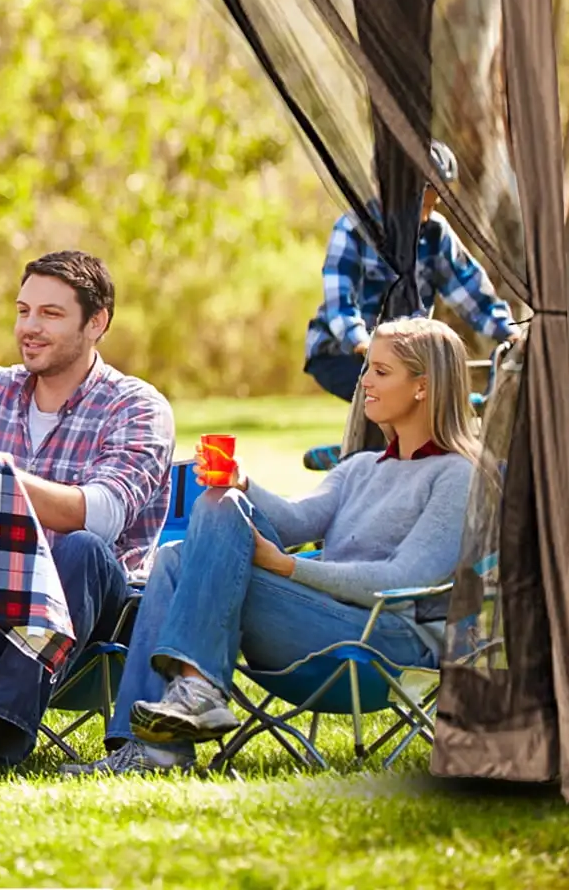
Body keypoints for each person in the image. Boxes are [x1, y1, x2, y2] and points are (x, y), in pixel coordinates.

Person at [67, 316, 477, 777]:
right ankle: (157, 736)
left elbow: (406, 580)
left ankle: (182, 714)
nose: (364, 384)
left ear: (422, 387)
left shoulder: (456, 475)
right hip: (320, 621)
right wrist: (241, 483)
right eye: (367, 370)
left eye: (381, 372)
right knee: (192, 536)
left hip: (386, 638)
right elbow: (296, 521)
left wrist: (289, 569)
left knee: (188, 551)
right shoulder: (361, 467)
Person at [0, 250, 175, 775]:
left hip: (86, 608)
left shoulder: (137, 406)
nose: (30, 328)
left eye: (51, 314)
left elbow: (100, 517)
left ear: (98, 322)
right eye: (23, 311)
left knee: (81, 546)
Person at [305, 140, 517, 404]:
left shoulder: (435, 234)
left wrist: (508, 331)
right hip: (340, 352)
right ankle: (368, 445)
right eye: (421, 208)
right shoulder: (353, 229)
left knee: (436, 404)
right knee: (404, 400)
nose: (426, 216)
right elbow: (340, 305)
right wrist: (367, 346)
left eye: (433, 207)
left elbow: (470, 291)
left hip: (401, 356)